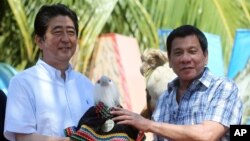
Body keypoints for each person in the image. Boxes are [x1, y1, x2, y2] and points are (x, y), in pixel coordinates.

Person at [111, 25, 243, 141]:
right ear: (169, 59)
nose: (185, 59)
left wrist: (148, 125)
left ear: (206, 56)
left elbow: (207, 135)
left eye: (192, 51)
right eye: (178, 53)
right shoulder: (165, 99)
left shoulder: (222, 88)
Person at [4, 3, 94, 141]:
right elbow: (23, 138)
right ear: (39, 41)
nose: (66, 39)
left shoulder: (87, 85)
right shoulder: (23, 83)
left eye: (71, 32)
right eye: (57, 32)